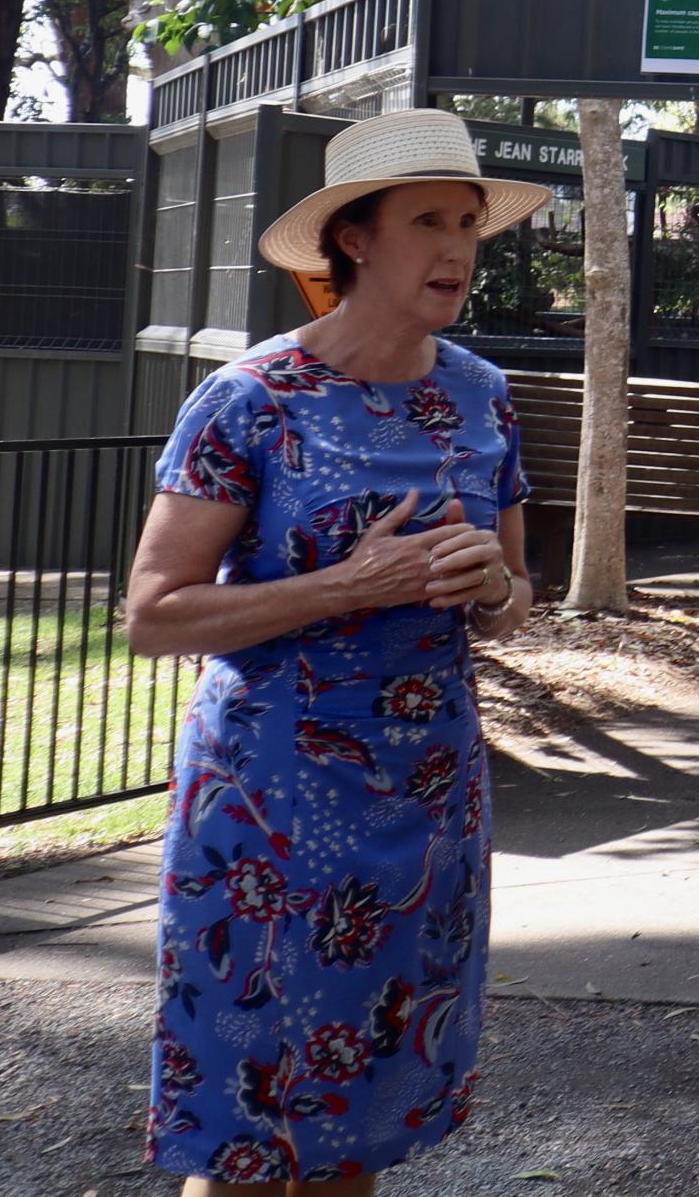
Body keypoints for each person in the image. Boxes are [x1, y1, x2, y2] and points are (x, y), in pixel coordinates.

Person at [125, 109, 553, 1194]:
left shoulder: (480, 394)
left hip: (426, 807)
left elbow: (515, 603)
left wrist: (495, 587)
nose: (456, 248)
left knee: (359, 1123)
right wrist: (341, 587)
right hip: (273, 812)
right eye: (427, 222)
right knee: (249, 1134)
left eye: (468, 223)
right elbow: (153, 613)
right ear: (355, 239)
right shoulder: (249, 399)